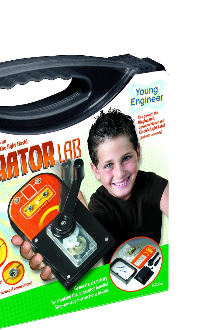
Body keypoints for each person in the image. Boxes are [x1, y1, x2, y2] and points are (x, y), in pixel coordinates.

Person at [12, 108, 169, 279]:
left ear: (137, 153)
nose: (119, 173)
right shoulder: (98, 205)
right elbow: (93, 243)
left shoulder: (153, 184)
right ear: (95, 170)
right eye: (108, 165)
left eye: (126, 158)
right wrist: (67, 254)